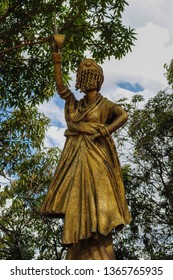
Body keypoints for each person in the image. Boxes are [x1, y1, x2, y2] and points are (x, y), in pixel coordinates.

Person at [40, 44, 131, 259]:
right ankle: (80, 240)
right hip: (77, 158)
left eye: (91, 75)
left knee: (100, 199)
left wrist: (104, 131)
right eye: (84, 75)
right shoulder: (76, 105)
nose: (88, 79)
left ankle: (98, 236)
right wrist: (57, 60)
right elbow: (61, 88)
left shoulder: (106, 105)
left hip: (98, 157)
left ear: (98, 80)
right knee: (77, 198)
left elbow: (123, 116)